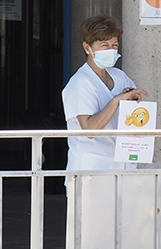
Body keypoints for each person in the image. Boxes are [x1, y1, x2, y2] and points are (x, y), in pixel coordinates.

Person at [61, 15, 149, 178]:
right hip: (91, 170)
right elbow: (89, 129)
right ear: (87, 48)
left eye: (114, 45)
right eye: (104, 45)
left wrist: (133, 100)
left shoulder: (119, 76)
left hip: (122, 167)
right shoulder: (81, 82)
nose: (111, 50)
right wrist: (116, 100)